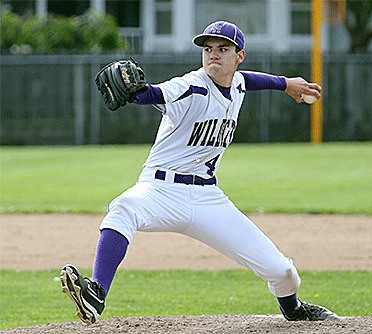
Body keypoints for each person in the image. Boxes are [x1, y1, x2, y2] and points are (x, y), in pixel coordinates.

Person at [60, 21, 339, 325]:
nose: (213, 55)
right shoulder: (191, 86)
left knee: (283, 272)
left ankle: (294, 309)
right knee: (124, 208)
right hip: (160, 189)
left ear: (239, 56)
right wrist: (136, 93)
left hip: (208, 197)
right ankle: (95, 294)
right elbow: (152, 94)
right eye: (208, 49)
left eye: (223, 49)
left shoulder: (238, 85)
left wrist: (286, 84)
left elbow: (250, 81)